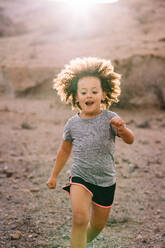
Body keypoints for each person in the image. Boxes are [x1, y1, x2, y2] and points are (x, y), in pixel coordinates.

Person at [46, 57, 134, 248]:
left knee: (97, 226)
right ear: (76, 96)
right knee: (79, 218)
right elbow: (64, 150)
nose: (89, 95)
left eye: (94, 91)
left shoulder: (111, 119)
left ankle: (79, 243)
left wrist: (122, 129)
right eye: (84, 92)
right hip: (81, 176)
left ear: (103, 94)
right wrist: (54, 175)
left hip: (106, 180)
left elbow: (130, 140)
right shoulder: (72, 124)